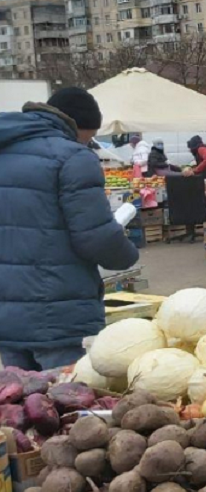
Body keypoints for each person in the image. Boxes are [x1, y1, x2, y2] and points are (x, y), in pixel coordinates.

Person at [0, 88, 140, 370]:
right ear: (76, 127)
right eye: (89, 137)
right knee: (64, 402)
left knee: (18, 402)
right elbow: (96, 236)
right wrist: (127, 255)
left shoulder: (5, 148)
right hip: (54, 308)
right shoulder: (72, 157)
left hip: (7, 311)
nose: (88, 144)